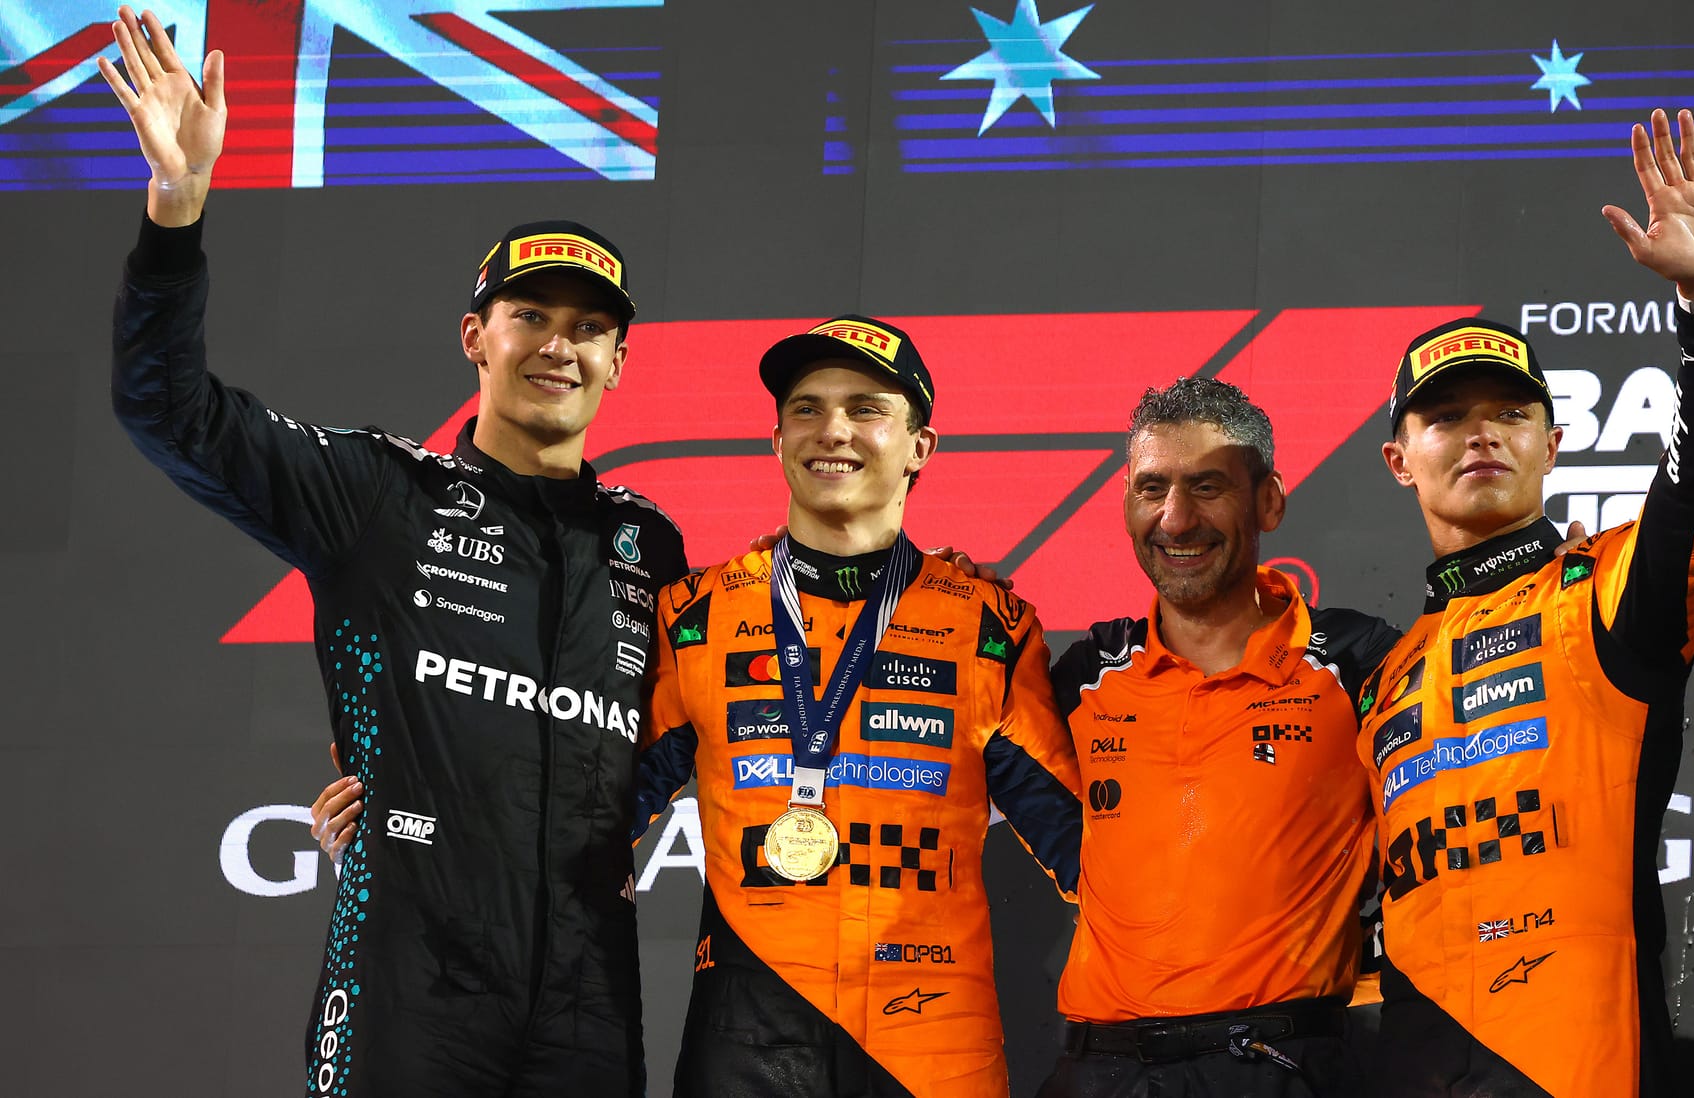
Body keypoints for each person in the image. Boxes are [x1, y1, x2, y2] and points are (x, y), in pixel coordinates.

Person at [103, 8, 686, 1095]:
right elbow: (170, 413)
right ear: (476, 337)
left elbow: (688, 726)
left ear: (618, 360)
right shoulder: (378, 491)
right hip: (411, 971)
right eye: (529, 315)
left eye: (588, 328)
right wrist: (177, 207)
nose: (559, 345)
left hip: (588, 988)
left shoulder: (647, 543)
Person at [1357, 108, 1694, 1097]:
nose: (1480, 434)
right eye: (1445, 417)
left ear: (1553, 443)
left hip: (1575, 1064)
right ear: (1399, 460)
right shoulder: (1380, 674)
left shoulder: (1608, 592)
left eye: (1510, 411)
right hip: (1407, 1065)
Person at [631, 317, 1085, 1097]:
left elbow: (1086, 851)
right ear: (778, 440)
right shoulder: (695, 616)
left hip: (931, 1040)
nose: (832, 429)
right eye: (806, 408)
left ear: (920, 447)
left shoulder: (988, 626)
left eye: (866, 409)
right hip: (748, 1035)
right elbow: (590, 817)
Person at [1037, 377, 1400, 1098]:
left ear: (1269, 501)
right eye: (1152, 489)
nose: (1175, 520)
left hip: (1278, 1064)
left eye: (1207, 487)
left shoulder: (1359, 661)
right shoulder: (1084, 676)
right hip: (1099, 1071)